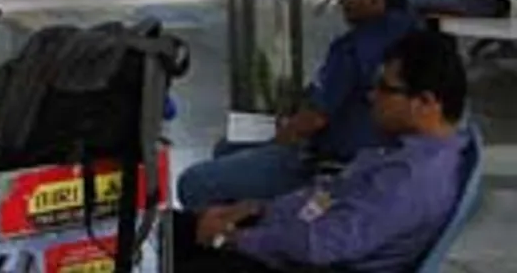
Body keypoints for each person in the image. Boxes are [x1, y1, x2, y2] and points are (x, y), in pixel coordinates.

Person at [173, 29, 469, 273]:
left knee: (173, 248)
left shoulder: (408, 179)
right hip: (288, 230)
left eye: (385, 88)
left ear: (426, 102)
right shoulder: (415, 152)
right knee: (170, 228)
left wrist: (229, 239)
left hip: (294, 257)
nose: (371, 96)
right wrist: (258, 208)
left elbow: (319, 245)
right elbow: (329, 197)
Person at [178, 0, 420, 209]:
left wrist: (274, 146)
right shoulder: (415, 35)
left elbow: (314, 119)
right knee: (228, 149)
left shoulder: (353, 48)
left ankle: (225, 238)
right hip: (377, 158)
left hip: (326, 166)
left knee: (194, 183)